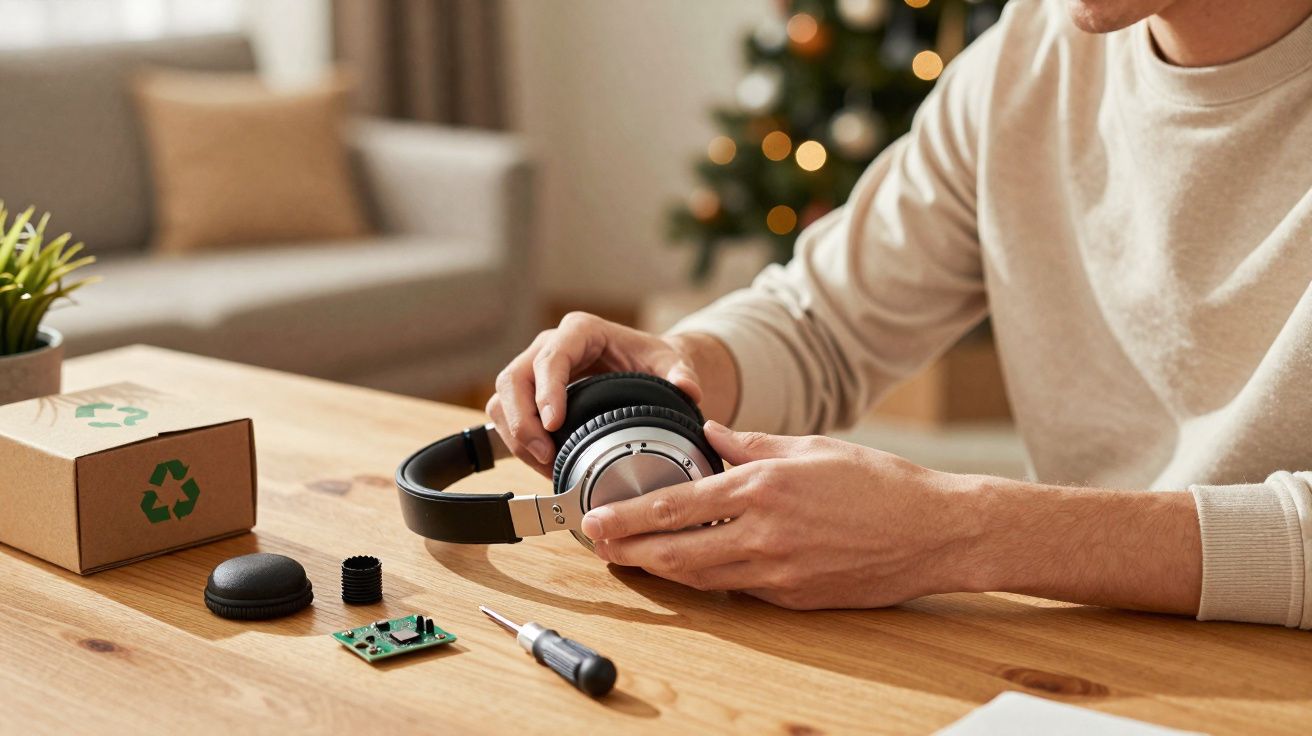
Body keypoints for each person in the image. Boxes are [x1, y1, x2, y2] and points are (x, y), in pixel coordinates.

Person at [487, 0, 1312, 628]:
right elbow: (825, 322)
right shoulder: (1030, 57)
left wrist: (962, 531)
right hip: (1095, 649)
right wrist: (681, 367)